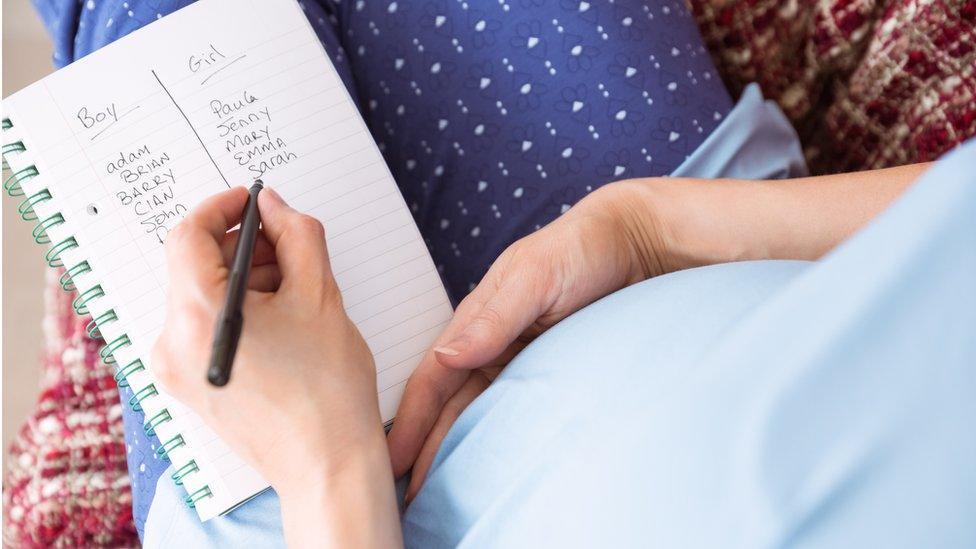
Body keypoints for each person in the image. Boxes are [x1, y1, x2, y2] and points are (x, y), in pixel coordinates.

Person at [31, 0, 974, 547]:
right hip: (687, 229)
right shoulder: (656, 224)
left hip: (303, 497)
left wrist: (328, 463)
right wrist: (650, 225)